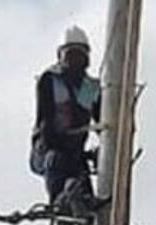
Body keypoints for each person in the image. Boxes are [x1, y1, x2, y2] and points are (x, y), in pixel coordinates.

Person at [30, 26, 101, 213]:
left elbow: (101, 121)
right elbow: (45, 121)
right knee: (57, 161)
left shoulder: (89, 88)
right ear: (60, 57)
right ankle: (58, 208)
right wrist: (56, 145)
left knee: (87, 198)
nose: (76, 61)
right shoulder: (51, 80)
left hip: (74, 153)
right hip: (47, 150)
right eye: (71, 55)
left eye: (81, 55)